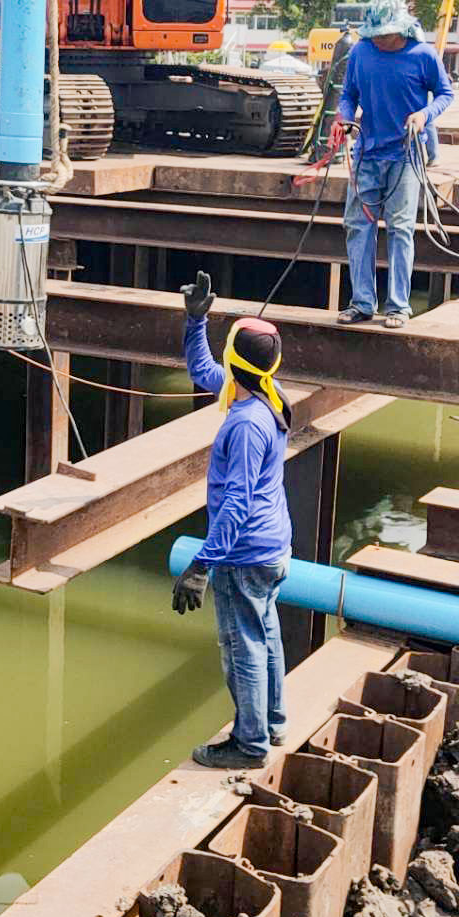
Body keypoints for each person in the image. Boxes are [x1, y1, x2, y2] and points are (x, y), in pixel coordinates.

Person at [172, 270, 293, 769]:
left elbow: (235, 504)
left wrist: (203, 564)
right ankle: (273, 722)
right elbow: (202, 369)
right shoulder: (265, 391)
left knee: (241, 647)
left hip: (245, 555)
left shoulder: (245, 425)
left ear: (234, 362)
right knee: (265, 634)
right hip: (272, 547)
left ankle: (248, 744)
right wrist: (195, 322)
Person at [328, 0, 454, 329]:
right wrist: (343, 117)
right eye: (376, 34)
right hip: (368, 153)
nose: (381, 40)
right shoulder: (361, 52)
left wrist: (424, 115)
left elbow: (446, 94)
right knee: (357, 227)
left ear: (401, 29)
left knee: (400, 230)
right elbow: (348, 94)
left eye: (386, 34)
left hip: (406, 155)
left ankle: (398, 306)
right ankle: (362, 303)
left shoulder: (423, 55)